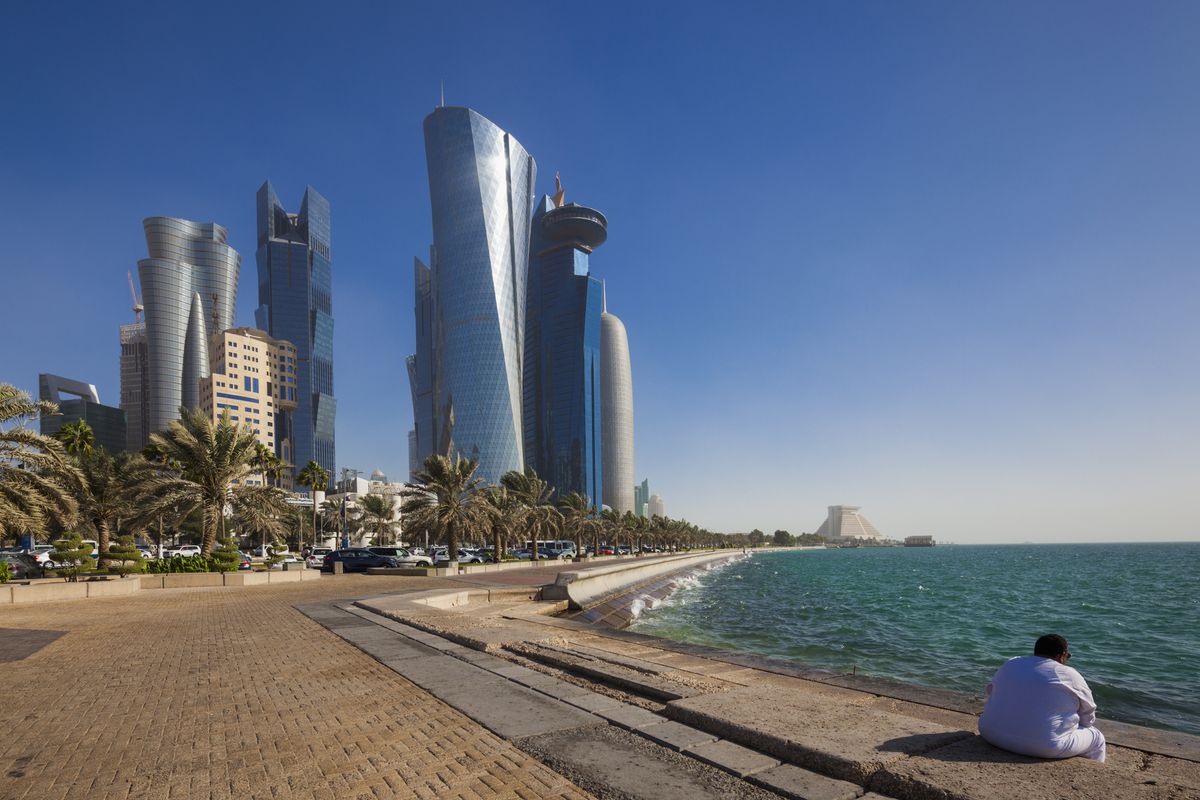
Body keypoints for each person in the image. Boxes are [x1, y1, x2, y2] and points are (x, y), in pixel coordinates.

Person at [978, 634, 1105, 762]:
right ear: (1062, 655)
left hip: (989, 732)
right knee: (1097, 738)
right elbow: (1088, 713)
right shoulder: (1068, 673)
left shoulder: (1011, 663)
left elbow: (991, 691)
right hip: (1043, 746)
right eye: (1067, 656)